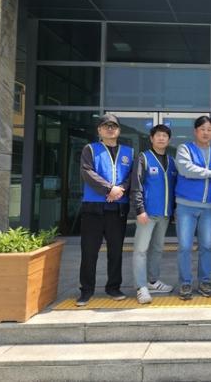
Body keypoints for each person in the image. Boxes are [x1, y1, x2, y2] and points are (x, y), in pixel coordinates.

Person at [76, 113, 134, 307]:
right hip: (93, 208)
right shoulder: (90, 149)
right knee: (89, 251)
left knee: (116, 251)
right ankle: (86, 290)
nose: (110, 129)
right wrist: (110, 189)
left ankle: (113, 287)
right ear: (99, 130)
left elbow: (132, 175)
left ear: (119, 130)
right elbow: (87, 172)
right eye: (106, 126)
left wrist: (120, 189)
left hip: (117, 208)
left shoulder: (129, 152)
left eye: (113, 126)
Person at [174, 116, 211, 301]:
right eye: (202, 129)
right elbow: (186, 169)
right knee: (185, 246)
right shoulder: (185, 149)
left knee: (207, 246)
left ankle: (205, 281)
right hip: (186, 206)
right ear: (195, 131)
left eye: (209, 129)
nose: (206, 132)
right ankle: (185, 282)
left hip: (208, 208)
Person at [130, 124, 177, 304]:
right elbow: (136, 185)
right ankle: (141, 287)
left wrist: (173, 211)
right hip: (147, 214)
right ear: (151, 138)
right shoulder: (143, 158)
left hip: (164, 214)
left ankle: (152, 281)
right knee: (141, 250)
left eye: (165, 136)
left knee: (157, 249)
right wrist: (140, 209)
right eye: (158, 135)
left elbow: (174, 188)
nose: (161, 138)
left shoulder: (172, 161)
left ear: (169, 140)